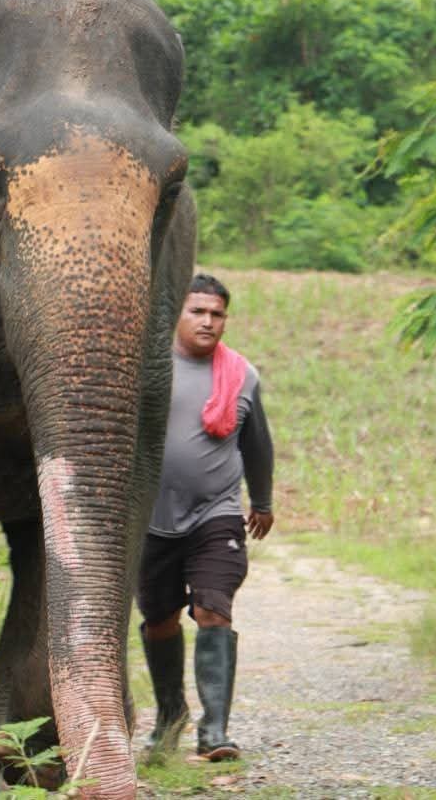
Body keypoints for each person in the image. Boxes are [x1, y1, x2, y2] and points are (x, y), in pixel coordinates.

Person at [137, 273, 275, 761]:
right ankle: (170, 713)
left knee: (213, 608)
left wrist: (261, 501)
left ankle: (214, 731)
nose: (207, 321)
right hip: (151, 517)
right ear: (177, 313)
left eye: (216, 314)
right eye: (197, 311)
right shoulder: (147, 368)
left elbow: (257, 445)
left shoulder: (242, 375)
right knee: (159, 619)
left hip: (215, 513)